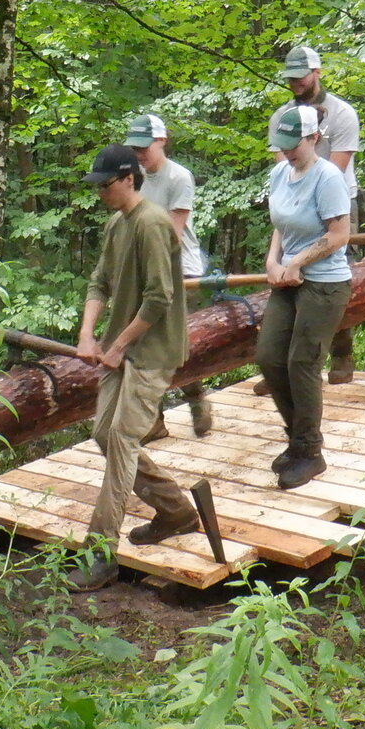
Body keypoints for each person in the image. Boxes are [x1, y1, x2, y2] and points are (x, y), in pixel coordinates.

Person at [66, 144, 201, 590]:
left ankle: (101, 551)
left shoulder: (153, 224)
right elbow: (99, 281)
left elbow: (159, 297)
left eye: (107, 185)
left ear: (128, 178)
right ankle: (177, 512)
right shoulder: (116, 224)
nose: (101, 193)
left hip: (152, 351)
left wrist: (120, 344)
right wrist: (89, 335)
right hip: (118, 350)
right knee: (103, 433)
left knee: (122, 438)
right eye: (97, 187)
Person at [258, 103, 353, 488]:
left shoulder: (328, 177)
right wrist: (272, 261)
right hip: (287, 279)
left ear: (314, 137)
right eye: (282, 145)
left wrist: (297, 263)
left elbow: (338, 235)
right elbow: (280, 225)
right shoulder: (280, 173)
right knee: (269, 356)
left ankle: (310, 450)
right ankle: (296, 438)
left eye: (294, 144)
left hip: (325, 282)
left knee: (302, 362)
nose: (287, 151)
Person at [269, 45, 361, 384]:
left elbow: (336, 168)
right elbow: (283, 166)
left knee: (332, 275)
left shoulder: (342, 114)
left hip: (337, 200)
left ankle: (341, 350)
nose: (294, 82)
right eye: (290, 77)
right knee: (288, 274)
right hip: (294, 200)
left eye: (300, 75)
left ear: (317, 73)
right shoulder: (281, 117)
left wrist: (314, 196)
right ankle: (282, 359)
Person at [125, 111, 214, 437]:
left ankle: (196, 398)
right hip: (144, 270)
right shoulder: (135, 178)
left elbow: (172, 234)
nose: (139, 154)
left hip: (180, 270)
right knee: (142, 347)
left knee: (173, 345)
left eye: (144, 147)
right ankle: (153, 422)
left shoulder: (179, 177)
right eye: (134, 148)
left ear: (161, 141)